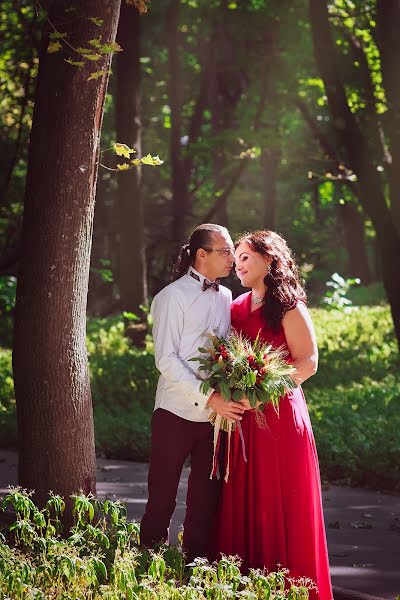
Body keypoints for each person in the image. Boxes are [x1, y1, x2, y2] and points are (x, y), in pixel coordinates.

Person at [212, 230, 333, 600]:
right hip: (240, 419)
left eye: (246, 256)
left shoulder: (289, 306)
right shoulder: (233, 307)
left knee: (282, 502)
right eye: (237, 257)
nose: (238, 264)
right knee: (244, 503)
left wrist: (263, 392)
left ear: (269, 260)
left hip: (280, 418)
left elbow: (308, 363)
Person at [140, 223, 245, 562]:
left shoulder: (227, 296)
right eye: (225, 251)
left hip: (215, 420)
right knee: (161, 500)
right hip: (174, 412)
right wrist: (210, 397)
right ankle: (147, 565)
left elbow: (226, 353)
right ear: (202, 255)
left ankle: (193, 572)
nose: (233, 258)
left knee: (204, 502)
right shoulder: (171, 297)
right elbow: (166, 361)